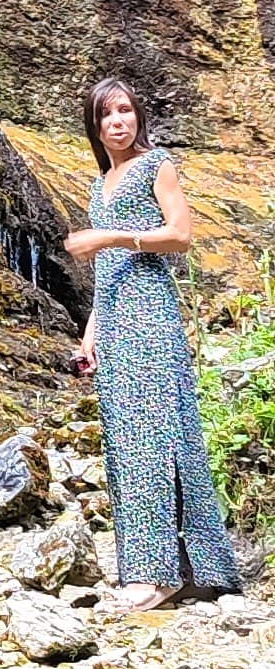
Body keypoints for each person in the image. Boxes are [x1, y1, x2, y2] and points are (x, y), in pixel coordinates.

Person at [63, 73, 239, 610]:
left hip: (151, 313)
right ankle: (182, 570)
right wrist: (89, 337)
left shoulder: (155, 166)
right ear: (95, 127)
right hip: (114, 320)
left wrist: (110, 235)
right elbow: (107, 273)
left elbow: (181, 237)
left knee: (157, 438)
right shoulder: (100, 185)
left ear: (137, 114)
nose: (117, 122)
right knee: (125, 442)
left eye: (124, 111)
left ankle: (159, 575)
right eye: (106, 116)